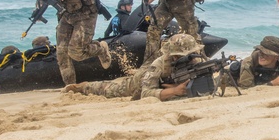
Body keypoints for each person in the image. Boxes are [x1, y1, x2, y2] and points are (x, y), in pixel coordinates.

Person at [64, 33, 206, 101]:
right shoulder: (159, 64)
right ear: (173, 55)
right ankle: (83, 87)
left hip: (166, 83)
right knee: (112, 90)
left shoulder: (194, 59)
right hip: (140, 82)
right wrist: (174, 90)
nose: (189, 57)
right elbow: (145, 94)